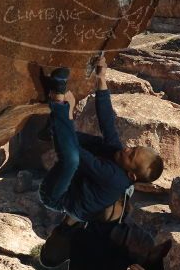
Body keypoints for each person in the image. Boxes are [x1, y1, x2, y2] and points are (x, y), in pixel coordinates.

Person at [38, 56, 164, 225]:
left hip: (56, 196)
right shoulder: (120, 156)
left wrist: (68, 112)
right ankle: (53, 130)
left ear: (131, 175)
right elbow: (107, 121)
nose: (127, 149)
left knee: (73, 158)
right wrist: (101, 77)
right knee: (100, 142)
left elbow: (77, 153)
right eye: (133, 147)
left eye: (131, 155)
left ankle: (57, 101)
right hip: (73, 181)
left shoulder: (114, 179)